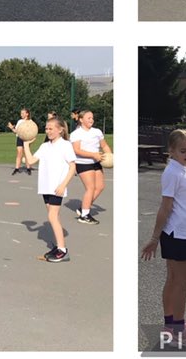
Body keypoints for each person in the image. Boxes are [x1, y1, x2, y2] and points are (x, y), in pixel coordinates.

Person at [141, 128, 186, 344]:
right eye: (183, 150)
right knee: (183, 281)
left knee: (175, 279)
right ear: (172, 151)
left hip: (183, 231)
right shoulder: (172, 173)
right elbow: (165, 208)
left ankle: (171, 323)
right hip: (174, 233)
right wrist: (155, 238)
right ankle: (178, 332)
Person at [22, 116, 77, 262]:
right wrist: (26, 145)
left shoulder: (65, 145)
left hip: (57, 188)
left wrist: (63, 185)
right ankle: (58, 246)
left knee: (52, 216)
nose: (48, 131)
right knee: (54, 217)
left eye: (51, 128)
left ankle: (63, 251)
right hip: (45, 187)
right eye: (46, 128)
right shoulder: (45, 146)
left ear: (60, 130)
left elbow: (73, 167)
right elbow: (31, 161)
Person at [70, 109, 112, 224]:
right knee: (90, 188)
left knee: (100, 187)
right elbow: (76, 150)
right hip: (83, 163)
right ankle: (84, 215)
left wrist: (109, 156)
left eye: (92, 118)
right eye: (88, 118)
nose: (91, 120)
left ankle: (83, 207)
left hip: (96, 162)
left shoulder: (97, 132)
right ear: (81, 120)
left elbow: (104, 146)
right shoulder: (76, 134)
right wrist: (93, 155)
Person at [7, 108, 34, 175]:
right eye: (21, 113)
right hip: (19, 138)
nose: (21, 114)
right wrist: (12, 128)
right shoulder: (19, 121)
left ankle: (28, 168)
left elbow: (32, 131)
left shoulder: (30, 122)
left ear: (27, 114)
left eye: (23, 113)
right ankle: (17, 168)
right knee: (19, 153)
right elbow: (16, 131)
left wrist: (30, 139)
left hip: (26, 138)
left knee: (26, 153)